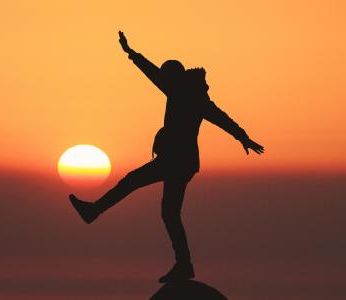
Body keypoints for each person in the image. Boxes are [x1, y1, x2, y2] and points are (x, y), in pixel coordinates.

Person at [69, 31, 264, 283]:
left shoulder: (181, 91)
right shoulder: (193, 95)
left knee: (133, 183)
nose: (164, 81)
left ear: (173, 76)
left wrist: (131, 54)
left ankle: (94, 211)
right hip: (182, 163)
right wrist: (243, 137)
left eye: (166, 76)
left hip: (175, 161)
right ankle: (184, 265)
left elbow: (155, 75)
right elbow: (221, 117)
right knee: (169, 213)